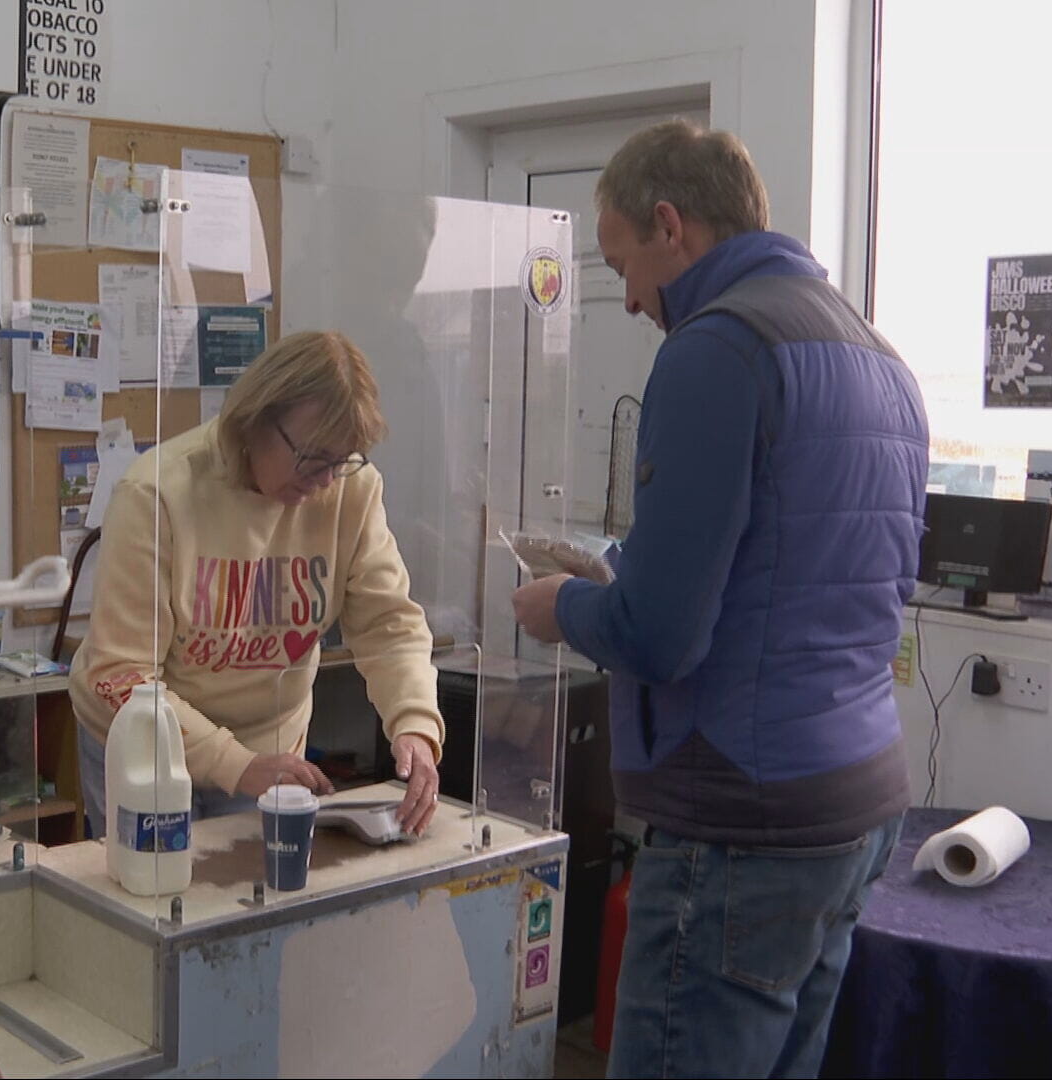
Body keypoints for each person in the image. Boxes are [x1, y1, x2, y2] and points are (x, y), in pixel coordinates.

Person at [510, 119, 928, 1079]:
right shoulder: (880, 358)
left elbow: (660, 639)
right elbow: (823, 579)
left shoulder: (717, 350)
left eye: (623, 265)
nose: (626, 299)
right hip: (859, 804)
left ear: (672, 225)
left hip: (745, 822)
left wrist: (560, 609)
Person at [70, 330, 445, 840]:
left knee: (252, 902)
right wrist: (232, 763)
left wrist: (415, 725)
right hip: (149, 748)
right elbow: (121, 672)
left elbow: (389, 626)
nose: (326, 481)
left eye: (343, 460)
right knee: (151, 902)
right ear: (255, 420)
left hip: (268, 754)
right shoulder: (156, 493)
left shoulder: (352, 490)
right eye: (313, 457)